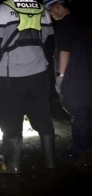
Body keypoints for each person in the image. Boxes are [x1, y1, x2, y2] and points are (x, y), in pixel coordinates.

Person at [0, 0, 55, 173]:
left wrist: (0, 61)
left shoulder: (3, 8)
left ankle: (11, 166)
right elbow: (44, 38)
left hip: (12, 74)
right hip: (40, 71)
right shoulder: (43, 10)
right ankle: (50, 162)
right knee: (42, 114)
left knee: (10, 116)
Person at [44, 0, 92, 158]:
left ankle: (79, 147)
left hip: (74, 76)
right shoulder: (82, 22)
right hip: (87, 73)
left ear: (57, 6)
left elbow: (64, 52)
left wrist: (60, 77)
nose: (50, 14)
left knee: (78, 111)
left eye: (50, 9)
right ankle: (86, 143)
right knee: (86, 110)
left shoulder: (64, 25)